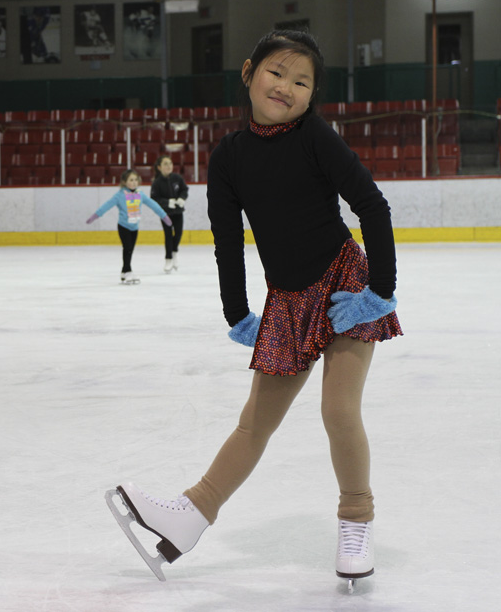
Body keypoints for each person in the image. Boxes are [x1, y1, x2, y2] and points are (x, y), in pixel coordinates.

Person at [108, 30, 401, 589]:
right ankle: (192, 515)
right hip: (288, 301)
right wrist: (237, 311)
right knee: (253, 425)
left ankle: (356, 521)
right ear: (249, 72)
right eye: (276, 73)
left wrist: (378, 291)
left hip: (343, 289)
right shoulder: (229, 157)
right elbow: (227, 239)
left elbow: (372, 206)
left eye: (302, 81)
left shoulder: (316, 136)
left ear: (314, 95)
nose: (286, 87)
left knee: (338, 411)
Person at [86, 169, 171, 284]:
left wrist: (164, 216)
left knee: (130, 249)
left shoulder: (140, 194)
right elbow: (107, 205)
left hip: (135, 227)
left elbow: (153, 205)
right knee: (127, 248)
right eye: (131, 180)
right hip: (124, 226)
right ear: (124, 182)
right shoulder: (120, 195)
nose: (134, 182)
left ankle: (125, 272)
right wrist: (96, 215)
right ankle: (127, 270)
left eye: (136, 180)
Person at [149, 155, 188, 272]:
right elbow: (154, 198)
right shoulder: (156, 182)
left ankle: (174, 251)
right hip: (165, 213)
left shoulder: (177, 178)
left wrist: (182, 198)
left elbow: (184, 190)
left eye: (170, 163)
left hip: (178, 211)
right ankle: (168, 258)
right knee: (168, 235)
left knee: (179, 233)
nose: (169, 166)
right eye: (165, 164)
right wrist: (167, 202)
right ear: (159, 167)